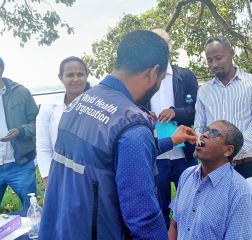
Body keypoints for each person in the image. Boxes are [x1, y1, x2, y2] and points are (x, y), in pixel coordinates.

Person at [39, 30, 196, 240]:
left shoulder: (81, 102)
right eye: (160, 79)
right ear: (153, 73)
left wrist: (172, 140)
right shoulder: (132, 125)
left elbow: (110, 157)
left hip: (61, 228)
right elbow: (143, 219)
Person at [142, 28, 199, 227]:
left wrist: (176, 112)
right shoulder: (143, 79)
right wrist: (145, 116)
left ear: (169, 47)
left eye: (163, 45)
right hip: (156, 154)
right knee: (159, 207)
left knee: (190, 204)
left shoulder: (184, 76)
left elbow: (197, 110)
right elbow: (131, 110)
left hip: (184, 154)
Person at [194, 36, 252, 178]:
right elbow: (199, 126)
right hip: (213, 168)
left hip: (246, 164)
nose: (214, 64)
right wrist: (208, 148)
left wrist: (232, 151)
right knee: (216, 201)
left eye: (218, 57)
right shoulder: (204, 90)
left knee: (248, 200)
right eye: (209, 60)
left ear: (231, 52)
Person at [169, 120, 252, 240]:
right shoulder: (187, 175)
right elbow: (175, 225)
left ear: (228, 150)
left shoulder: (239, 192)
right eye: (205, 130)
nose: (204, 134)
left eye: (214, 133)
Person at [0, 54, 39, 216]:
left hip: (20, 164)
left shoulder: (20, 92)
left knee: (31, 212)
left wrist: (20, 131)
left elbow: (37, 122)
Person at [36, 56, 90, 188]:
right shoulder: (48, 107)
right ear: (61, 78)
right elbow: (43, 147)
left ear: (87, 76)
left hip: (91, 176)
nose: (76, 79)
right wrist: (47, 178)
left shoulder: (97, 106)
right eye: (70, 75)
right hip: (60, 176)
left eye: (80, 74)